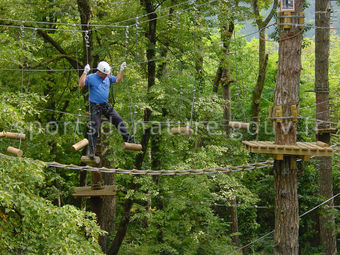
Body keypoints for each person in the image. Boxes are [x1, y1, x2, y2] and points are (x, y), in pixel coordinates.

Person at [79, 61, 136, 159]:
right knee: (94, 129)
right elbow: (81, 84)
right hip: (95, 106)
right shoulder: (91, 77)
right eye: (105, 74)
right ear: (100, 72)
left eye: (107, 74)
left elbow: (118, 80)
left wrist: (121, 70)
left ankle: (129, 139)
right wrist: (85, 72)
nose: (106, 75)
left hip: (105, 105)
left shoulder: (107, 77)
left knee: (119, 120)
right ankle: (91, 151)